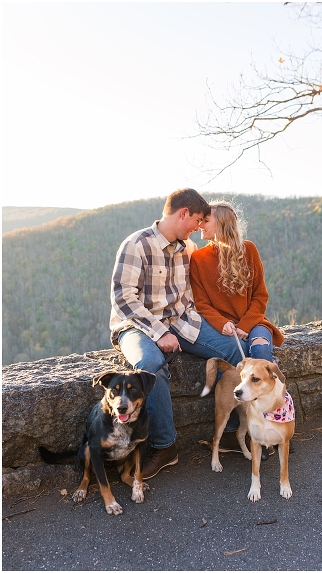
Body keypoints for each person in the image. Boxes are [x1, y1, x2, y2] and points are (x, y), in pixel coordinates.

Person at [110, 188, 244, 479]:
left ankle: (233, 433)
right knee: (150, 365)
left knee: (234, 350)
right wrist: (159, 333)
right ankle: (165, 447)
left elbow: (203, 292)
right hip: (137, 326)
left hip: (181, 322)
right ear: (183, 213)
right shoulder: (136, 244)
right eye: (197, 221)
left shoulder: (189, 248)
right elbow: (123, 299)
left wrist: (230, 321)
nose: (198, 227)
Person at [189, 200, 285, 453]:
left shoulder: (249, 250)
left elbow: (260, 296)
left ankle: (274, 423)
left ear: (221, 224)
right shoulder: (198, 259)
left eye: (206, 221)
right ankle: (250, 430)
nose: (200, 225)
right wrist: (224, 324)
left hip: (254, 322)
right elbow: (201, 303)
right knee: (240, 361)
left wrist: (245, 324)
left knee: (261, 352)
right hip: (226, 327)